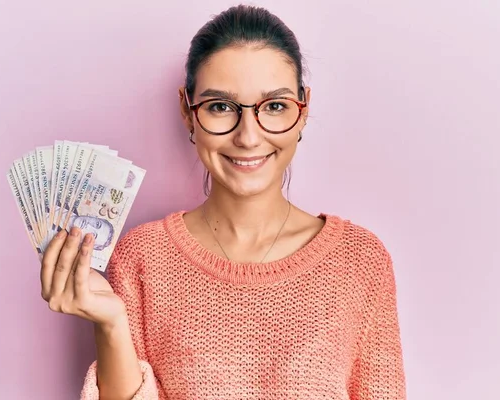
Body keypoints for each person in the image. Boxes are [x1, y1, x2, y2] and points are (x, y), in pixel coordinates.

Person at [39, 4, 406, 399]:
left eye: (275, 106)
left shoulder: (359, 260)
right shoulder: (142, 258)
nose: (248, 136)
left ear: (304, 109)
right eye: (220, 107)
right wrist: (110, 323)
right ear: (187, 110)